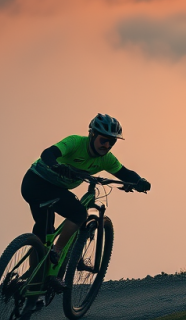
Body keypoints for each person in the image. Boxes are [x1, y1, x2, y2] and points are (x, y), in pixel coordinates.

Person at [20, 113, 151, 292]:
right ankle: (57, 252)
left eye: (111, 142)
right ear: (92, 135)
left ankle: (34, 280)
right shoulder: (75, 142)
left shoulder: (106, 159)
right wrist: (57, 166)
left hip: (52, 190)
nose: (107, 145)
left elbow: (124, 173)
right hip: (36, 182)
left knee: (44, 232)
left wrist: (139, 181)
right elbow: (47, 154)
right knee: (79, 213)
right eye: (104, 140)